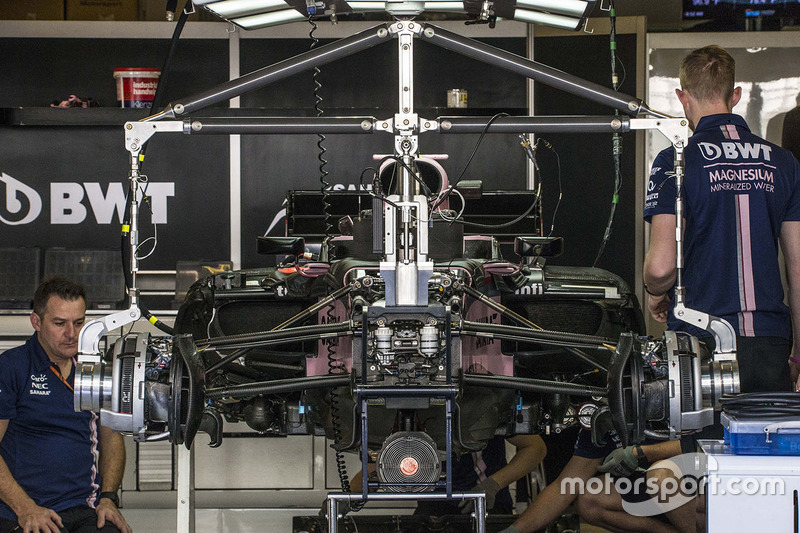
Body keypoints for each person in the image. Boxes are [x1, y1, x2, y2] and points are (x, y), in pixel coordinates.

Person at [643, 45, 800, 393]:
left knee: (703, 449)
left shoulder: (676, 160)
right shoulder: (784, 163)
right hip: (770, 341)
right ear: (736, 95)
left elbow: (659, 268)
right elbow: (798, 269)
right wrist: (799, 355)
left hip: (700, 341)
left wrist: (655, 292)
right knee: (766, 445)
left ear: (683, 98)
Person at [0, 277, 132, 533]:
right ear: (36, 322)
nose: (72, 334)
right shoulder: (11, 368)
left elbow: (111, 436)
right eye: (59, 323)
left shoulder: (93, 370)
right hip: (22, 512)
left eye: (79, 322)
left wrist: (108, 498)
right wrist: (25, 509)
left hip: (83, 510)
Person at [499, 430, 692, 533]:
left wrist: (643, 453)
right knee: (589, 499)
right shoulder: (602, 416)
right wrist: (516, 530)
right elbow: (566, 484)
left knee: (660, 477)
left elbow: (709, 441)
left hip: (700, 488)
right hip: (652, 492)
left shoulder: (677, 386)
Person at [351, 434, 546, 516]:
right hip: (434, 514)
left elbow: (536, 448)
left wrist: (492, 485)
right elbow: (375, 470)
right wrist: (347, 499)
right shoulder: (405, 417)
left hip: (487, 510)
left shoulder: (479, 406)